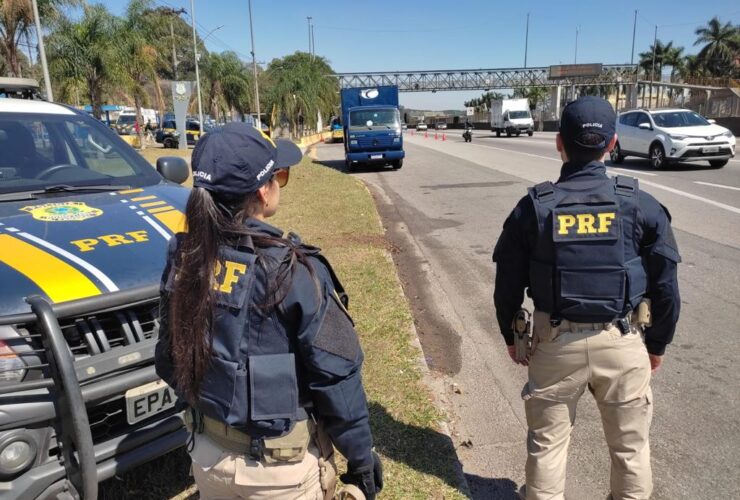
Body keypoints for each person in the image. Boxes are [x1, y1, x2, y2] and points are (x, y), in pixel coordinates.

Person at [155, 122, 383, 500]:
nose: (281, 183)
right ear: (263, 189)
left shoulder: (185, 255)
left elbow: (168, 358)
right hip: (279, 478)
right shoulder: (291, 269)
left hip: (207, 458)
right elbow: (337, 378)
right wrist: (361, 458)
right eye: (282, 174)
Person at [492, 96, 681, 500]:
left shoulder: (534, 209)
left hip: (555, 346)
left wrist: (511, 336)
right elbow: (666, 285)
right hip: (622, 341)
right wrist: (658, 344)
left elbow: (506, 281)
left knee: (547, 449)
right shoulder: (640, 205)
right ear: (612, 144)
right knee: (631, 451)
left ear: (559, 142)